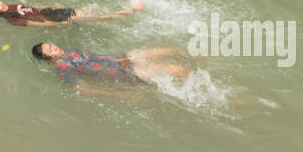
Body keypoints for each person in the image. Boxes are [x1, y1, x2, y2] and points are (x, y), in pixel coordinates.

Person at [31, 41, 189, 87]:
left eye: (53, 45)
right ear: (48, 59)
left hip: (125, 59)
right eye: (51, 51)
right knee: (178, 70)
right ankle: (201, 92)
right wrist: (119, 95)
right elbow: (84, 90)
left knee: (171, 51)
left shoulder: (68, 51)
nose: (56, 48)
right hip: (129, 73)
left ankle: (201, 60)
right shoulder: (62, 68)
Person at [0, 0, 144, 27]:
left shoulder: (10, 6)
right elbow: (34, 23)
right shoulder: (12, 20)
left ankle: (118, 18)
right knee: (94, 17)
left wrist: (49, 6)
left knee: (87, 13)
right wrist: (57, 24)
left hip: (48, 11)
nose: (1, 4)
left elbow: (29, 7)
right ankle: (128, 12)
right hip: (49, 18)